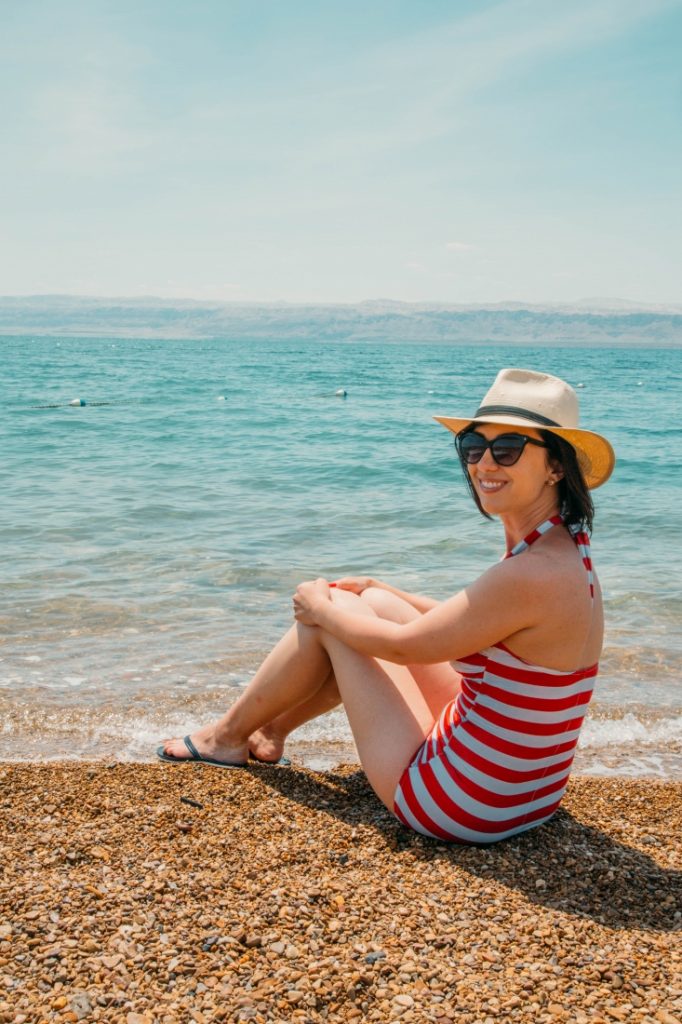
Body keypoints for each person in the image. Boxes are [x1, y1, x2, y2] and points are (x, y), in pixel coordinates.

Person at [158, 368, 615, 845]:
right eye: (474, 447)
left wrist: (319, 606)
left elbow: (401, 648)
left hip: (463, 805)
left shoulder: (527, 574)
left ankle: (227, 737)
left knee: (335, 614)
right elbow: (480, 620)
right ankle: (268, 732)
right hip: (529, 796)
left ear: (556, 466)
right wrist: (384, 589)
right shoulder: (564, 549)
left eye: (508, 450)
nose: (484, 464)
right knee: (370, 601)